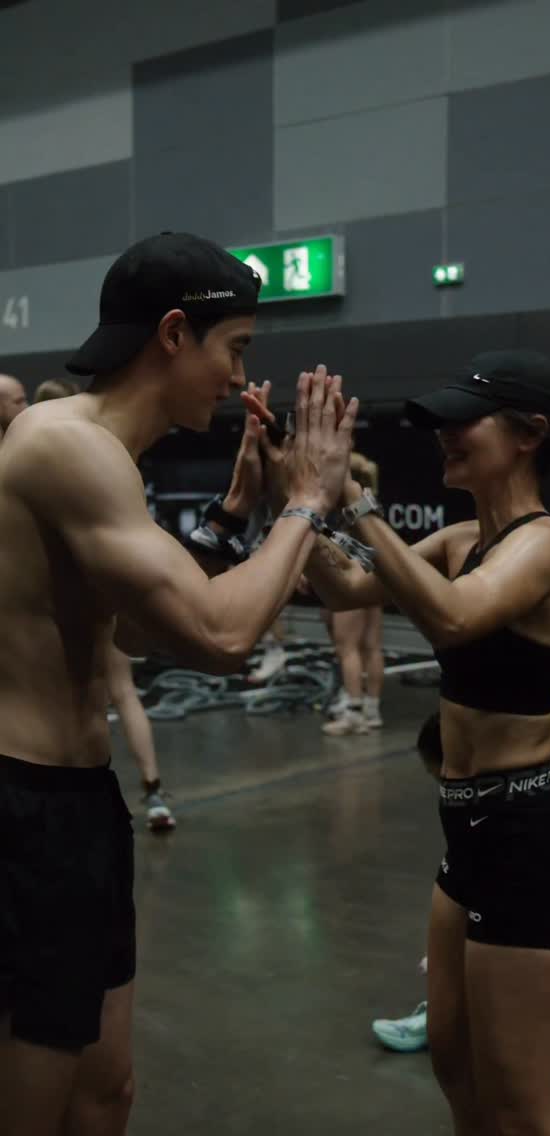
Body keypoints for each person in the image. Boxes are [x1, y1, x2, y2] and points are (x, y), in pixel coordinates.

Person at [0, 230, 357, 1136]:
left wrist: (237, 513)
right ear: (171, 334)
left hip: (79, 804)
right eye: (234, 349)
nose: (239, 379)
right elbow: (222, 635)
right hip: (24, 811)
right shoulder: (64, 446)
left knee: (106, 1090)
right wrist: (308, 501)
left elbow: (135, 629)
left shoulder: (107, 458)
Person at [285, 350, 550, 1134]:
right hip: (467, 827)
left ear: (531, 434)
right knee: (455, 1066)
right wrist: (298, 498)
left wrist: (353, 498)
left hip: (523, 836)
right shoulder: (460, 538)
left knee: (523, 1104)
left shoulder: (546, 546)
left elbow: (453, 617)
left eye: (465, 423)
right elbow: (347, 588)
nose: (445, 436)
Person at [372, 713, 550, 1071]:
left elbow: (520, 927)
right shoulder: (546, 788)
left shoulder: (514, 818)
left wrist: (454, 971)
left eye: (442, 779)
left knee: (507, 1061)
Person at [33, 378, 176, 832]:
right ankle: (153, 791)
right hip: (100, 594)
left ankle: (145, 790)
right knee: (120, 692)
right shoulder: (107, 457)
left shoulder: (50, 462)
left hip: (86, 602)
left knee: (110, 691)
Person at [322, 453, 384, 736]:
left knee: (347, 647)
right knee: (371, 645)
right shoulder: (370, 502)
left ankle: (354, 712)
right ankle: (371, 710)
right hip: (373, 574)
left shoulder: (346, 507)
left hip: (352, 578)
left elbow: (333, 546)